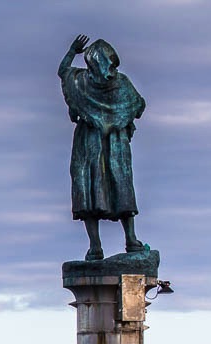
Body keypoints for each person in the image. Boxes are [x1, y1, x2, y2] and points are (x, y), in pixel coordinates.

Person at [59, 34, 146, 261]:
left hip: (91, 140)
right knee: (103, 188)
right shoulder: (117, 82)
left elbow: (63, 71)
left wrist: (71, 51)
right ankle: (124, 241)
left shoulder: (80, 81)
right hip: (109, 141)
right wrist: (117, 117)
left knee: (103, 188)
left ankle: (103, 244)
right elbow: (138, 105)